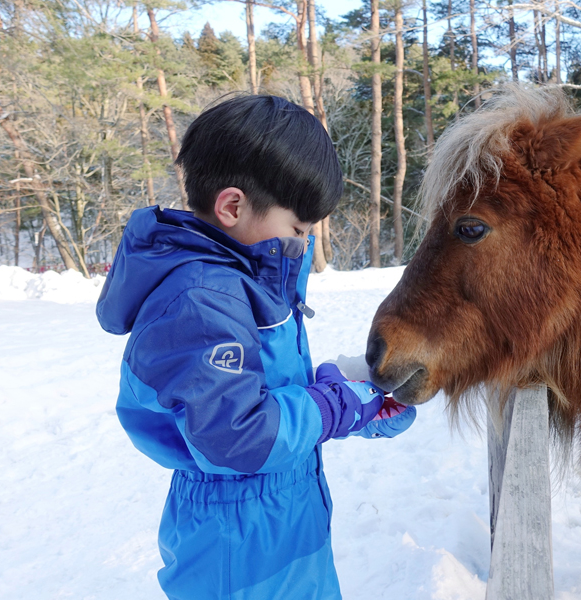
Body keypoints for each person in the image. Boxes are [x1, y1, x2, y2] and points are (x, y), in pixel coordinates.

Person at [96, 95, 416, 600]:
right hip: (237, 542)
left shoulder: (244, 282)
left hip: (278, 521)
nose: (301, 242)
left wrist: (352, 397)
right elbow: (240, 438)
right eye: (297, 229)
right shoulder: (199, 299)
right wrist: (335, 408)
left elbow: (261, 395)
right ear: (233, 207)